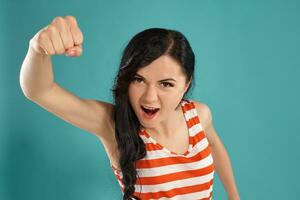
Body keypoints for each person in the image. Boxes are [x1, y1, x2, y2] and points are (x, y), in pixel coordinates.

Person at [19, 16, 240, 200]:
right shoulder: (111, 124)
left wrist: (234, 196)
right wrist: (37, 49)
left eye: (166, 84)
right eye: (138, 79)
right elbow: (39, 91)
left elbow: (214, 145)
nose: (149, 97)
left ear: (186, 84)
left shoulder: (199, 115)